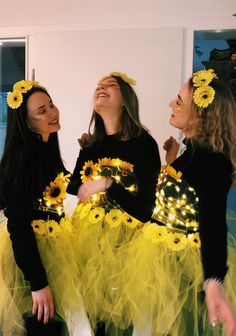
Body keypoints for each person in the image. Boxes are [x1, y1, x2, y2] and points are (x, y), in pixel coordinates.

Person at [122, 68, 236, 336]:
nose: (171, 104)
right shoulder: (192, 152)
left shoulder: (211, 160)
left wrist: (213, 281)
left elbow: (213, 223)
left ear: (201, 114)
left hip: (183, 269)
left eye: (179, 100)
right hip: (164, 261)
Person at [69, 72, 161, 335]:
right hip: (87, 240)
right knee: (93, 314)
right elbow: (75, 185)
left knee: (118, 320)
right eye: (98, 85)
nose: (101, 88)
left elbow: (146, 210)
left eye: (110, 86)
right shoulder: (92, 144)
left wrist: (109, 184)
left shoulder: (143, 144)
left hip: (125, 246)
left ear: (126, 100)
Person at [0, 80, 93, 335]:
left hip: (52, 249)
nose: (52, 113)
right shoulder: (21, 160)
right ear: (27, 123)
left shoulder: (44, 150)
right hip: (34, 255)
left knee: (71, 323)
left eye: (51, 105)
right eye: (42, 111)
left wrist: (86, 154)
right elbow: (18, 226)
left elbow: (68, 185)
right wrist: (38, 282)